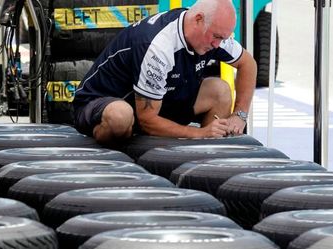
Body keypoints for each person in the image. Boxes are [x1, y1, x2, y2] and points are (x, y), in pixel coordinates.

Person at [72, 0, 257, 144]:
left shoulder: (214, 31)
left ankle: (205, 162)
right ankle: (109, 148)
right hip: (102, 104)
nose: (218, 44)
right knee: (120, 117)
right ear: (198, 20)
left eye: (222, 38)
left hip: (156, 103)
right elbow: (148, 120)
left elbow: (248, 64)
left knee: (220, 91)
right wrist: (199, 134)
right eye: (216, 37)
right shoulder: (159, 46)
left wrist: (240, 116)